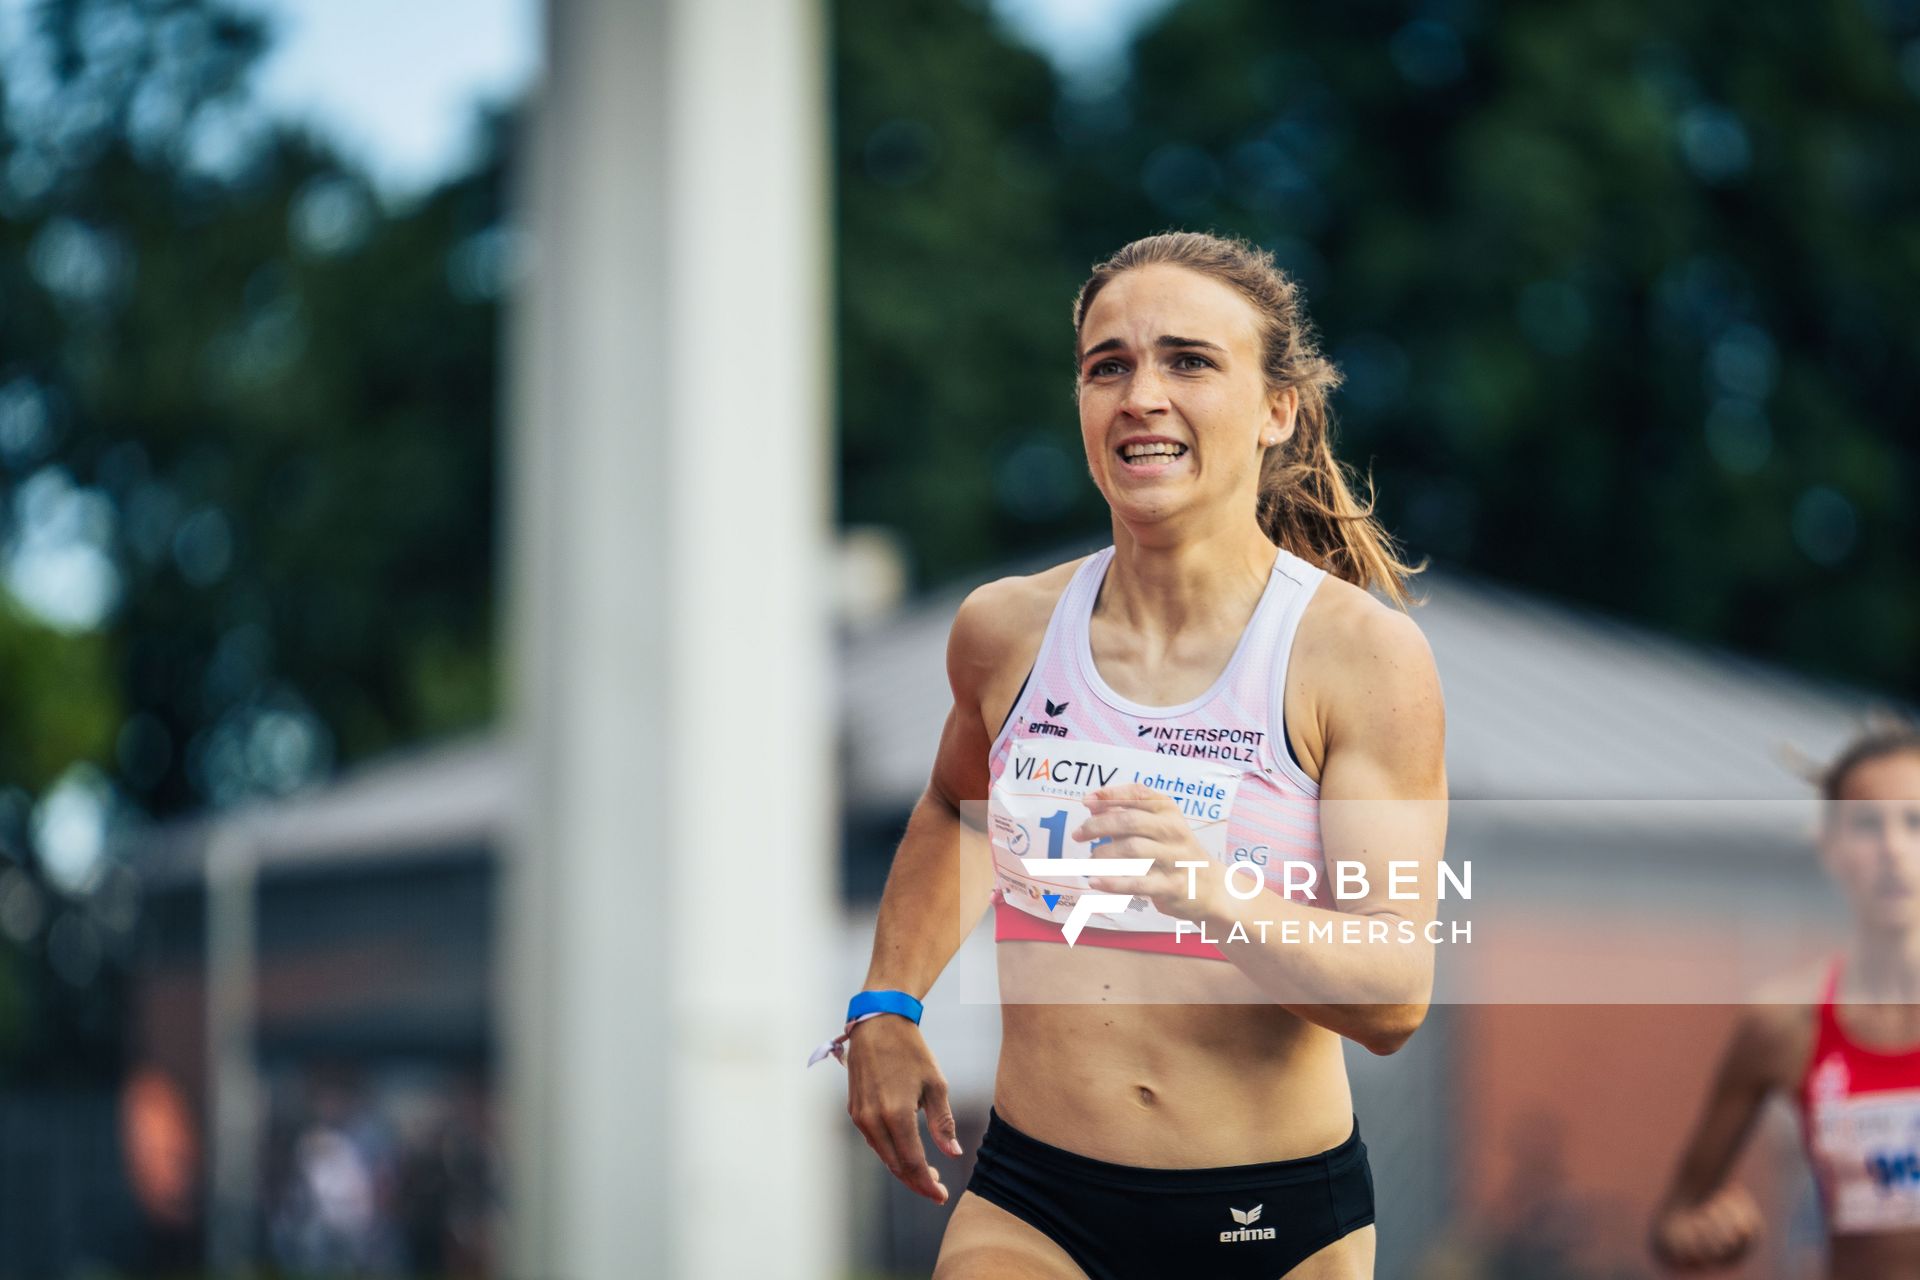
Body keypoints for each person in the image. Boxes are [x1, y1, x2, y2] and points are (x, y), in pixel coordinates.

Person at [832, 231, 1449, 1279]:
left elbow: (1394, 993)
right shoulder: (1007, 630)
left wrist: (1214, 898)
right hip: (1037, 1199)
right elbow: (956, 811)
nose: (1140, 394)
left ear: (1277, 409)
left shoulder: (1358, 656)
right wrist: (887, 1001)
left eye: (1189, 361)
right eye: (1107, 365)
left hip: (1271, 1217)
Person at [1652, 722, 1920, 1277]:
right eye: (1867, 825)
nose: (1894, 849)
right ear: (1830, 846)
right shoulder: (1784, 1023)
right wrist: (1703, 1232)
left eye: (1915, 822)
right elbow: (1672, 1223)